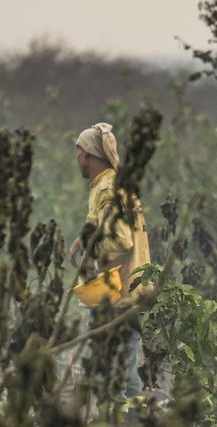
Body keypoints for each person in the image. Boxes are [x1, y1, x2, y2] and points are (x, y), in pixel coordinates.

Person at [68, 122, 152, 405]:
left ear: (88, 156)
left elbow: (120, 241)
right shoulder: (111, 183)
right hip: (127, 290)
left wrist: (93, 253)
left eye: (78, 152)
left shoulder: (106, 188)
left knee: (113, 376)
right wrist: (83, 239)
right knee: (126, 373)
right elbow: (101, 223)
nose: (77, 159)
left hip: (115, 294)